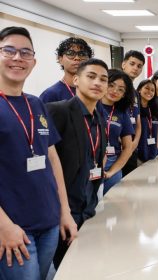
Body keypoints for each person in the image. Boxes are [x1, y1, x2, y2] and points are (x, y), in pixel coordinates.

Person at [0, 26, 77, 280]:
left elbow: (52, 159)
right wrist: (4, 226)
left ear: (33, 62)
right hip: (14, 230)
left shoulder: (36, 104)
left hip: (49, 222)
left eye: (25, 52)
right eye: (8, 50)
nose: (17, 58)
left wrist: (64, 211)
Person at [46, 58, 108, 268]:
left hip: (87, 207)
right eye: (91, 76)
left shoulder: (99, 117)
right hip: (62, 210)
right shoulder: (57, 111)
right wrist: (62, 211)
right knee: (65, 267)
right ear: (75, 80)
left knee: (84, 265)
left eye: (103, 79)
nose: (98, 83)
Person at [100, 69, 134, 194]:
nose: (115, 91)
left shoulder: (122, 113)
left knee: (112, 205)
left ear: (124, 94)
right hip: (92, 165)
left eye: (121, 89)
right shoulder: (91, 106)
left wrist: (112, 172)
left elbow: (127, 147)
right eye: (111, 85)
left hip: (113, 163)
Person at [40, 37, 93, 103]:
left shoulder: (93, 92)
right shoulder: (50, 95)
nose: (77, 58)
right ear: (60, 59)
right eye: (70, 53)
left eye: (82, 54)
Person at [121, 50, 144, 177]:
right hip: (118, 146)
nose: (135, 68)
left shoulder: (135, 93)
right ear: (124, 64)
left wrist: (134, 143)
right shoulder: (115, 88)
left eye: (139, 66)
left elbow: (138, 120)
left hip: (132, 146)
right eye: (132, 64)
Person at [137, 80, 158, 162]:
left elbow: (157, 129)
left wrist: (156, 147)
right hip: (137, 152)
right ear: (139, 89)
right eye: (147, 88)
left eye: (152, 90)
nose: (150, 92)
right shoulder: (134, 108)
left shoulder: (154, 109)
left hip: (152, 151)